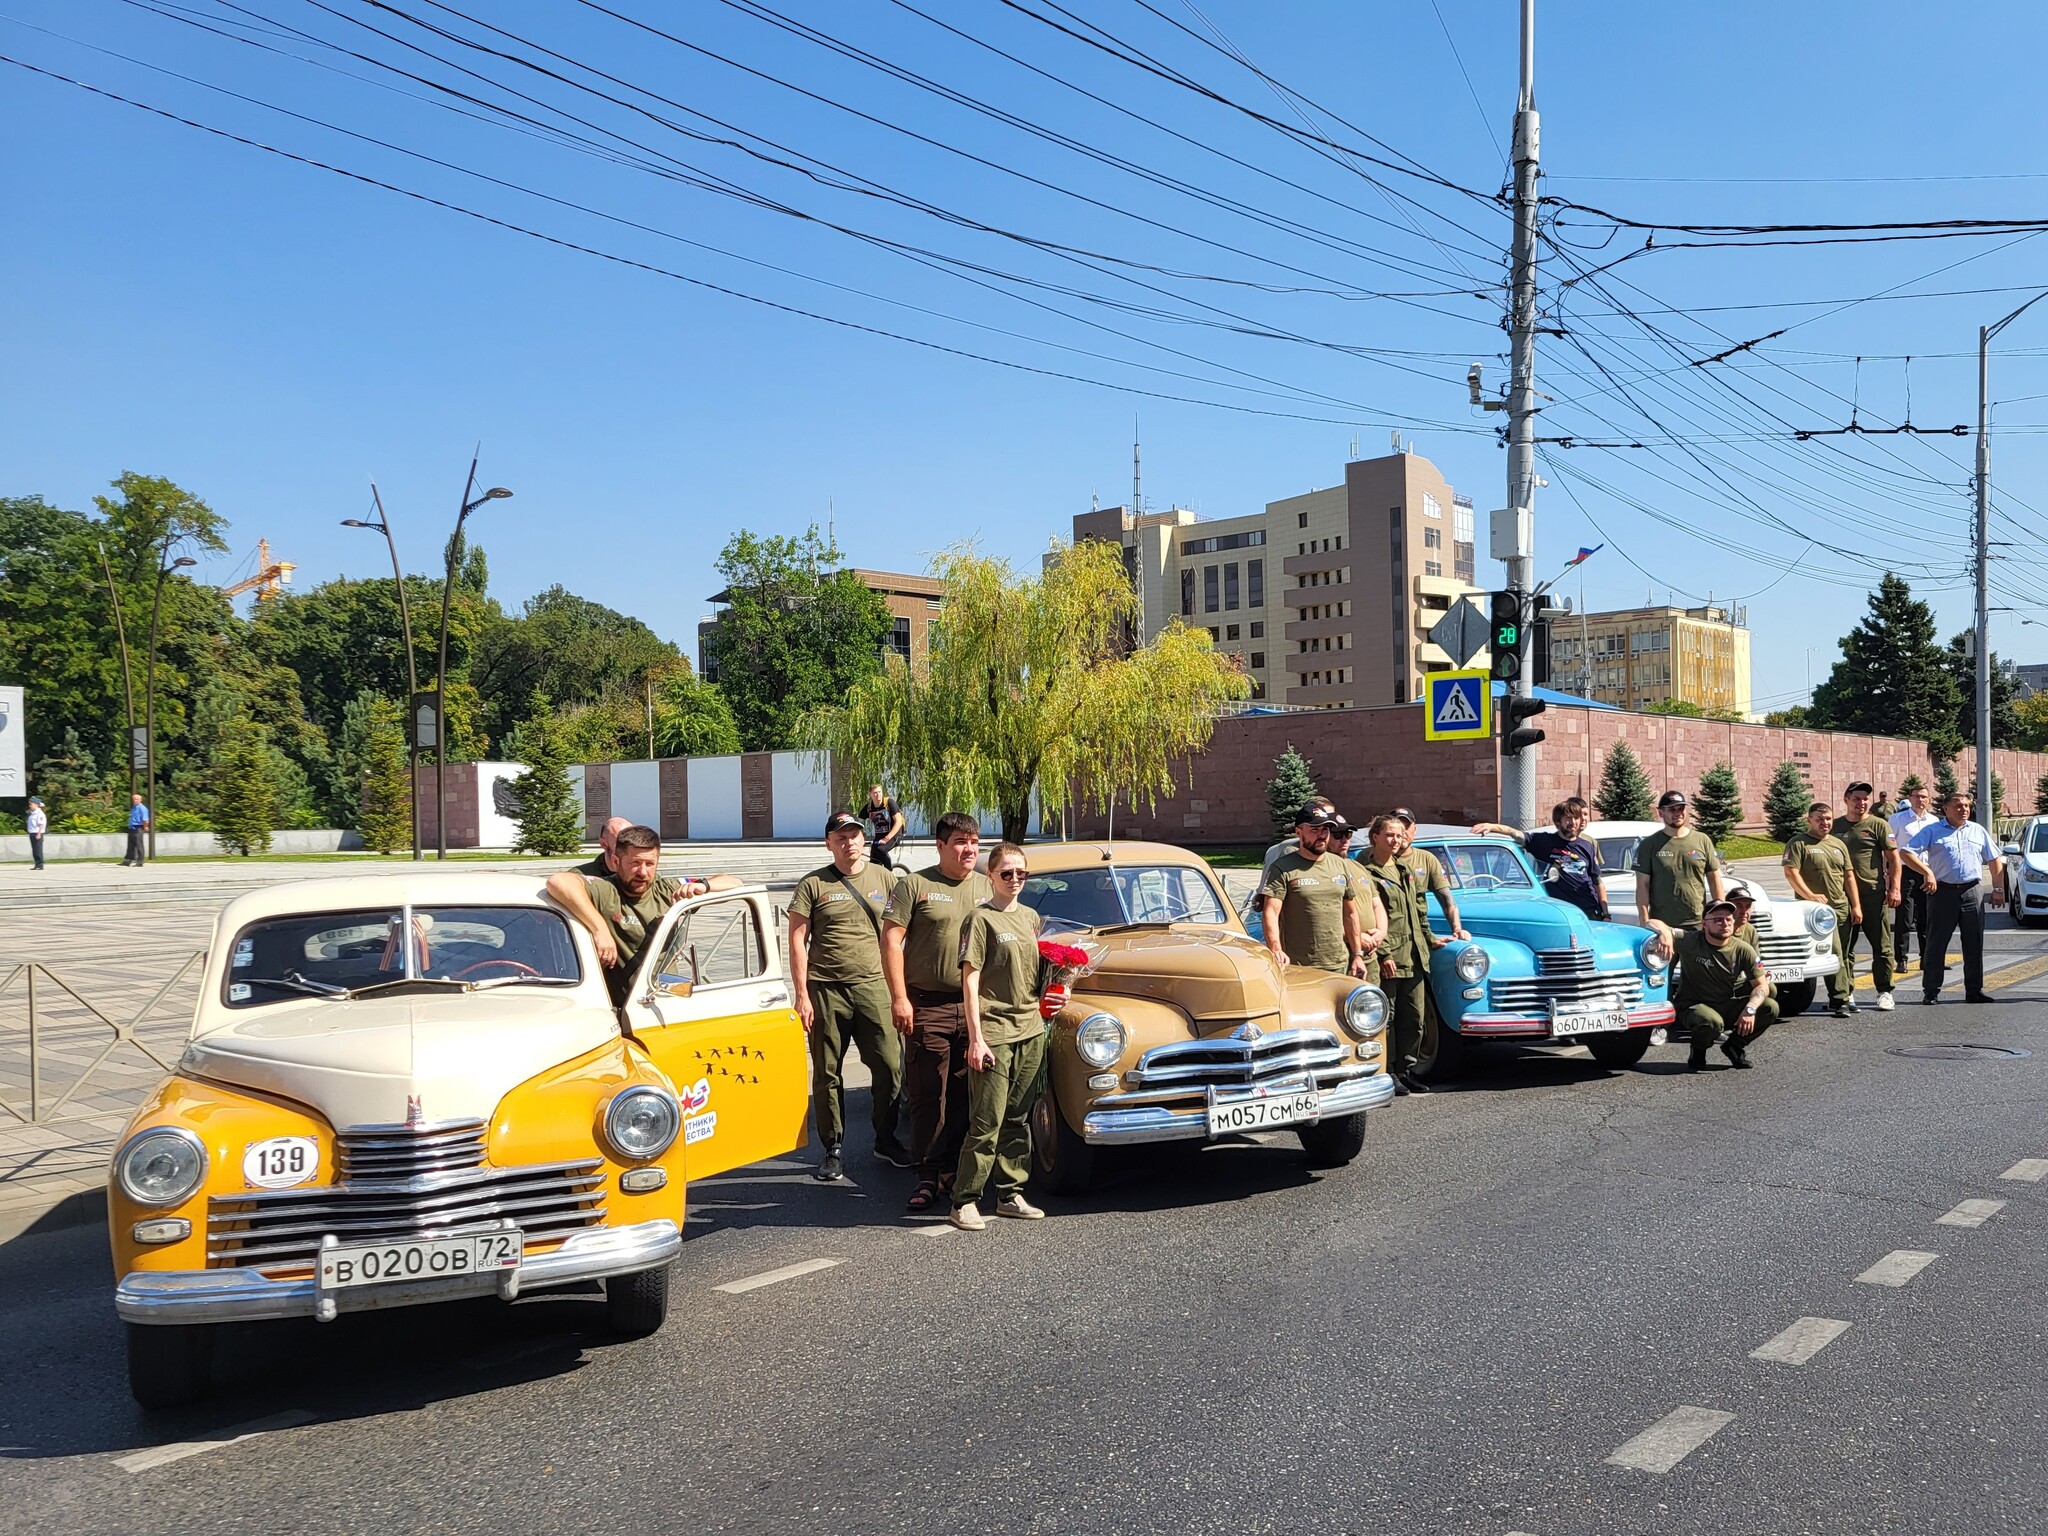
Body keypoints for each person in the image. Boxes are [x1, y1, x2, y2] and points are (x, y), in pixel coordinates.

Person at [788, 811, 911, 1182]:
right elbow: (797, 940)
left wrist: (902, 990)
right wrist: (801, 995)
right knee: (827, 1073)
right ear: (829, 843)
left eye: (855, 835)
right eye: (841, 837)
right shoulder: (813, 884)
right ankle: (833, 1147)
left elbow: (904, 929)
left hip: (875, 987)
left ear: (863, 839)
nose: (850, 842)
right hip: (826, 989)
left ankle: (885, 1138)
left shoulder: (885, 878)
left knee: (890, 1066)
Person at [883, 810, 993, 1214]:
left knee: (966, 1093)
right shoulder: (916, 885)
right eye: (961, 842)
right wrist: (899, 998)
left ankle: (953, 1170)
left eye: (975, 842)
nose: (969, 849)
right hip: (926, 1005)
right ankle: (926, 1174)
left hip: (975, 1008)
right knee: (930, 1093)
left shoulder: (988, 887)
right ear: (941, 846)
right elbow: (892, 941)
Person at [950, 842, 1056, 1230]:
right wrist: (976, 1038)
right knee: (986, 1120)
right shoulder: (980, 919)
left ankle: (1010, 1193)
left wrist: (1057, 991)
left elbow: (1033, 974)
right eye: (1006, 873)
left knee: (1018, 1117)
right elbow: (971, 980)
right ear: (990, 875)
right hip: (994, 1031)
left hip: (1030, 1030)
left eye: (1021, 874)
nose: (1014, 880)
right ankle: (965, 1199)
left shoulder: (1030, 917)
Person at [546, 824, 695, 1002]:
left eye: (650, 864)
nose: (643, 872)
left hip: (665, 999)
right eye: (635, 863)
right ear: (616, 862)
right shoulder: (606, 890)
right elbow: (559, 882)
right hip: (620, 1007)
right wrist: (600, 929)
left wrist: (703, 886)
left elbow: (731, 883)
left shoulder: (667, 889)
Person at [1357, 814, 1443, 1095]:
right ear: (1376, 837)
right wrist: (1383, 954)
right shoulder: (1366, 870)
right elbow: (1368, 917)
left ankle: (1406, 1069)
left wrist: (1429, 939)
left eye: (1399, 835)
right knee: (1389, 1016)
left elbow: (1419, 910)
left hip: (1414, 953)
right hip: (1390, 953)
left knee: (1415, 1016)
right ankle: (1388, 1070)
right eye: (1390, 835)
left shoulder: (1404, 868)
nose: (1396, 840)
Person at [1899, 792, 2006, 1005]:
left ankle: (1974, 990)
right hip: (1943, 892)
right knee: (1936, 943)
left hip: (1972, 891)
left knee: (1974, 942)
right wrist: (1927, 872)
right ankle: (1931, 991)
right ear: (1945, 809)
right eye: (1958, 806)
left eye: (1966, 805)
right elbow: (1906, 853)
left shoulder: (1977, 830)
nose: (1964, 809)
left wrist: (1998, 888)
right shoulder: (1933, 831)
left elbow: (1994, 859)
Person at [1259, 804, 1385, 977]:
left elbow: (1350, 913)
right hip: (1299, 965)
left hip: (1339, 963)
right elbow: (1270, 913)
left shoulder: (1339, 864)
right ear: (1299, 832)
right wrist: (1276, 950)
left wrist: (1357, 955)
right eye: (1315, 829)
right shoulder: (1282, 868)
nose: (1322, 835)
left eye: (1325, 829)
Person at [1671, 899, 1776, 1072]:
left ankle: (1734, 1046)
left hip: (1725, 1003)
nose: (1724, 924)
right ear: (1705, 924)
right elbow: (1654, 924)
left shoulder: (1743, 949)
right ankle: (1698, 1050)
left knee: (1769, 1007)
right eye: (1718, 920)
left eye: (1728, 919)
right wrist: (1666, 934)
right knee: (1711, 1022)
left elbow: (1762, 985)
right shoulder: (1691, 941)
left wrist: (1749, 1010)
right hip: (1694, 1005)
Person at [1471, 797, 1609, 921]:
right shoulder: (1544, 841)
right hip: (1562, 912)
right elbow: (1515, 834)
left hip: (1590, 911)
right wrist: (1492, 826)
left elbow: (1597, 881)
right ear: (1558, 821)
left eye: (1576, 818)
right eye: (1568, 818)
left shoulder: (1587, 846)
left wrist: (1606, 914)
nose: (1572, 822)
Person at [1783, 802, 1859, 1018]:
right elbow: (1791, 873)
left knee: (1843, 954)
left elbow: (1849, 876)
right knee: (1833, 951)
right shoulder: (1798, 843)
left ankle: (1844, 994)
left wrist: (1856, 905)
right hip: (1815, 913)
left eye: (1827, 819)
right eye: (1819, 819)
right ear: (1809, 820)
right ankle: (1840, 999)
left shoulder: (1838, 844)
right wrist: (1810, 896)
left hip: (1841, 907)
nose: (1824, 823)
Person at [1833, 781, 1901, 1012]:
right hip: (1842, 897)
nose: (1861, 803)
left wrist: (1894, 888)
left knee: (1881, 946)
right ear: (1846, 799)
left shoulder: (1878, 825)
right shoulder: (1835, 827)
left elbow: (1893, 859)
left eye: (1864, 799)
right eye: (1856, 798)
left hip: (1873, 894)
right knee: (1844, 947)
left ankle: (1884, 991)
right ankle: (1846, 992)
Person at [1633, 790, 1722, 956]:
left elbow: (1714, 878)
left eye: (1681, 808)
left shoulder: (1702, 840)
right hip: (1663, 927)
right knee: (1661, 976)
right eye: (1672, 809)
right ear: (1661, 812)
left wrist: (1720, 913)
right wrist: (1645, 921)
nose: (1678, 813)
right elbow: (1642, 885)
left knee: (1700, 978)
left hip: (1697, 924)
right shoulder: (1649, 845)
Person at [1388, 810, 1471, 941]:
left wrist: (1457, 929)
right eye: (1398, 827)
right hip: (1387, 937)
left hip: (1418, 935)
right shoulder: (1373, 858)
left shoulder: (1427, 859)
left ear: (1414, 830)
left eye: (1407, 827)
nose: (1403, 833)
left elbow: (1447, 900)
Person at [1889, 784, 1938, 973]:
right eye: (1917, 796)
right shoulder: (1898, 819)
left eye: (1924, 797)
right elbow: (1890, 848)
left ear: (1929, 800)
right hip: (1905, 872)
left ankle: (1926, 958)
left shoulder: (1934, 821)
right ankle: (1901, 960)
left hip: (1928, 872)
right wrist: (1889, 875)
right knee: (1905, 918)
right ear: (1910, 799)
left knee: (1927, 917)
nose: (1920, 800)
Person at [864, 785, 907, 871]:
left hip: (895, 833)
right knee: (874, 857)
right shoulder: (869, 807)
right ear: (870, 794)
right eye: (875, 793)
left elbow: (898, 822)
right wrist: (860, 837)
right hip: (880, 835)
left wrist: (887, 838)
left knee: (881, 849)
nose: (878, 795)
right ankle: (877, 877)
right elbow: (859, 823)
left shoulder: (889, 803)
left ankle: (889, 874)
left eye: (879, 792)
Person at [121, 793, 149, 867]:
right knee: (130, 845)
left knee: (139, 845)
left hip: (138, 828)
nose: (135, 800)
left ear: (140, 800)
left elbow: (145, 820)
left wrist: (145, 827)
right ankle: (128, 860)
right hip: (132, 828)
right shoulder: (134, 807)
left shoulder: (142, 808)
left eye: (137, 799)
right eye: (134, 799)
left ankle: (140, 862)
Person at [25, 796, 46, 871]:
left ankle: (40, 864)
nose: (30, 805)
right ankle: (36, 864)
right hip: (32, 833)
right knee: (34, 850)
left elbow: (41, 824)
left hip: (37, 833)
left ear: (36, 804)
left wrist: (39, 833)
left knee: (38, 849)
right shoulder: (32, 813)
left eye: (31, 804)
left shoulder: (39, 813)